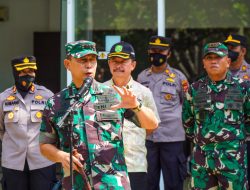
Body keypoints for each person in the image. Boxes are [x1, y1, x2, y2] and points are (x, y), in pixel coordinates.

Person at [39, 40, 158, 190]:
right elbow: (44, 145)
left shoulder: (114, 94)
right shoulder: (55, 103)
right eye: (82, 60)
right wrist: (61, 156)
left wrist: (137, 106)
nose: (89, 65)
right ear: (68, 64)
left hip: (113, 183)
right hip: (76, 184)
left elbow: (152, 124)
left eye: (92, 60)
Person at [182, 42, 250, 189]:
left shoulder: (243, 87)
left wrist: (235, 141)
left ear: (228, 61)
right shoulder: (194, 89)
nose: (213, 61)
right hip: (202, 160)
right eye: (209, 58)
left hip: (232, 159)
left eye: (218, 57)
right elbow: (188, 122)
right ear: (204, 63)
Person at [104, 41, 159, 190]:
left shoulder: (143, 92)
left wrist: (136, 107)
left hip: (135, 165)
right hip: (105, 166)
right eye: (114, 61)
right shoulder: (99, 91)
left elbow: (151, 127)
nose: (118, 65)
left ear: (133, 65)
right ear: (109, 64)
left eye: (123, 61)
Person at [137, 36, 188, 190]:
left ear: (169, 53)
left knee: (174, 183)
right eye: (154, 50)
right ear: (148, 52)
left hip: (172, 138)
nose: (157, 53)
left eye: (161, 50)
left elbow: (187, 106)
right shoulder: (141, 77)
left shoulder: (179, 78)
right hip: (148, 138)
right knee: (148, 183)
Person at [0, 56, 56, 190]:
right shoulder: (3, 98)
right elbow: (1, 130)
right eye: (23, 71)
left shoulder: (47, 95)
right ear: (15, 72)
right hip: (13, 163)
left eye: (31, 71)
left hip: (42, 161)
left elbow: (55, 128)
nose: (27, 75)